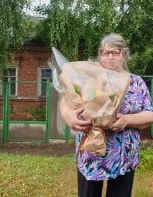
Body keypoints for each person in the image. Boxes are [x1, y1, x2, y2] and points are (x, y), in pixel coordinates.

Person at [59, 33, 153, 197]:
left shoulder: (136, 82)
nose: (110, 57)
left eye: (115, 52)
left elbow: (150, 114)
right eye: (105, 52)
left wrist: (127, 120)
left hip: (124, 156)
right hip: (91, 153)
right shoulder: (88, 77)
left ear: (125, 55)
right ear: (100, 55)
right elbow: (66, 99)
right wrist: (68, 116)